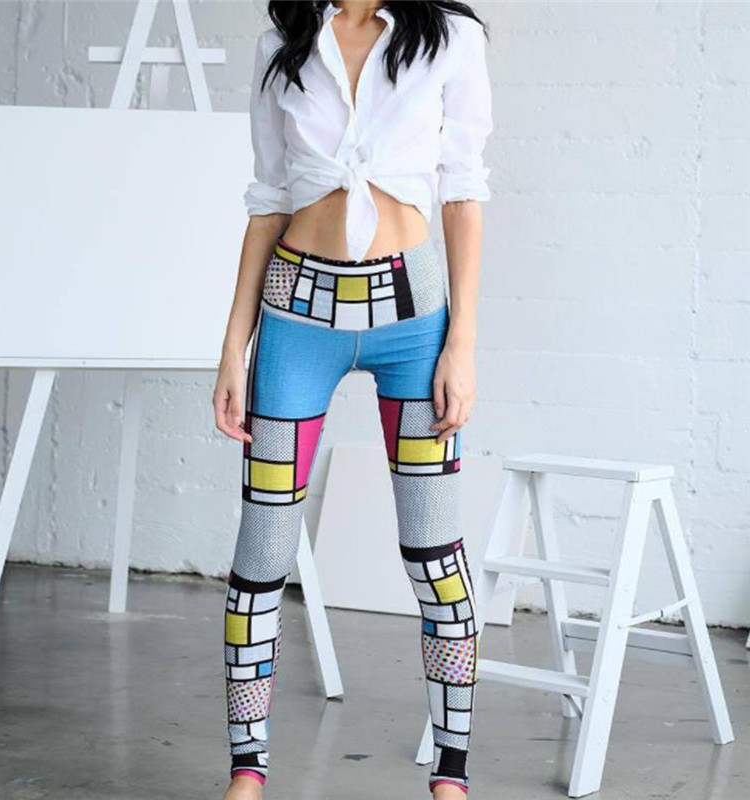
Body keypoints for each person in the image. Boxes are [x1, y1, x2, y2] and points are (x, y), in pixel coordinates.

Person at [213, 1, 492, 797]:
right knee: (262, 557)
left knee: (435, 555)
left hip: (415, 317)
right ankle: (247, 771)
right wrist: (233, 348)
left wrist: (462, 344)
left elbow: (463, 191)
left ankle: (451, 775)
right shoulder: (283, 44)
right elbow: (268, 200)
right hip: (297, 317)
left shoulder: (451, 39)